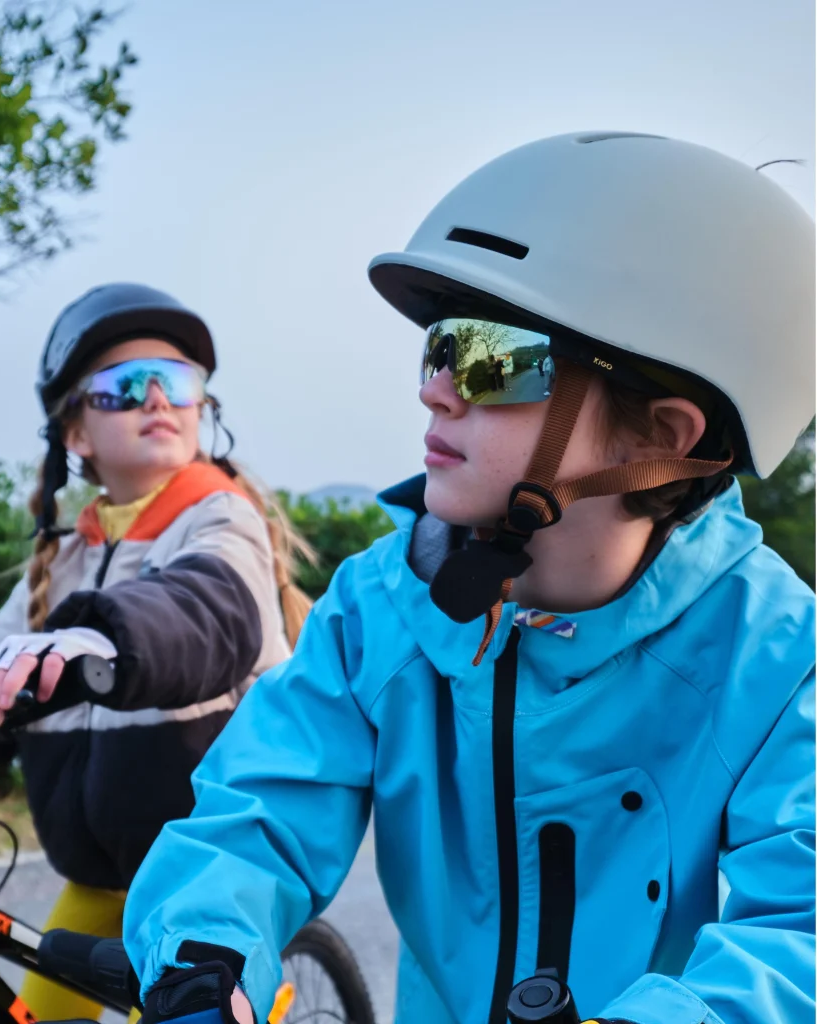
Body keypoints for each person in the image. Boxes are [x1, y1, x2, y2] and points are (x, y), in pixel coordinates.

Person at [121, 135, 815, 1024]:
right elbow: (258, 809)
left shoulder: (777, 656)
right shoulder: (383, 606)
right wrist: (202, 963)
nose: (438, 390)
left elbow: (800, 934)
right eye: (436, 349)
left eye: (492, 356)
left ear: (664, 436)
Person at [0, 283, 313, 1023]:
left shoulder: (221, 521)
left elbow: (205, 611)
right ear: (75, 433)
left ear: (204, 408)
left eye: (178, 382)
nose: (158, 398)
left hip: (201, 874)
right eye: (127, 386)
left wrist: (100, 640)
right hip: (96, 879)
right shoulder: (59, 563)